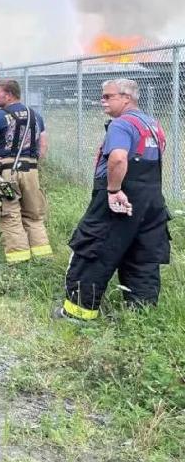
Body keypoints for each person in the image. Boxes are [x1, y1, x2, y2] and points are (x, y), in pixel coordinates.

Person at [56, 78, 172, 322]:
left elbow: (118, 158)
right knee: (142, 257)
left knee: (94, 250)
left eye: (108, 96)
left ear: (126, 98)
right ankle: (141, 316)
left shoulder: (121, 124)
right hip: (151, 203)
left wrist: (113, 190)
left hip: (120, 199)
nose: (102, 101)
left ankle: (77, 314)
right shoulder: (153, 124)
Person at [0, 79, 52, 264]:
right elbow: (43, 146)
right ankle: (43, 261)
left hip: (7, 173)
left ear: (8, 94)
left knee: (10, 216)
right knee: (34, 216)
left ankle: (20, 264)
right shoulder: (36, 116)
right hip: (31, 171)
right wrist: (33, 163)